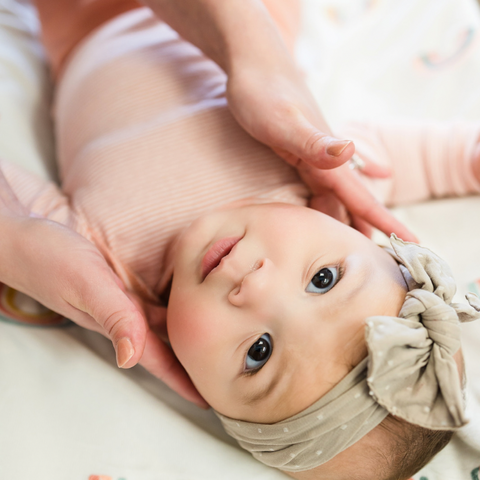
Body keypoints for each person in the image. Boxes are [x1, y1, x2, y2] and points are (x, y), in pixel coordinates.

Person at [1, 0, 480, 478]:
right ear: (358, 233)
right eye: (323, 279)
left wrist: (15, 239)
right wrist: (462, 159)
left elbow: (19, 216)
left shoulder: (104, 271)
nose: (255, 287)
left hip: (85, 31)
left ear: (200, 389)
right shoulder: (313, 178)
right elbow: (402, 157)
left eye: (260, 351)